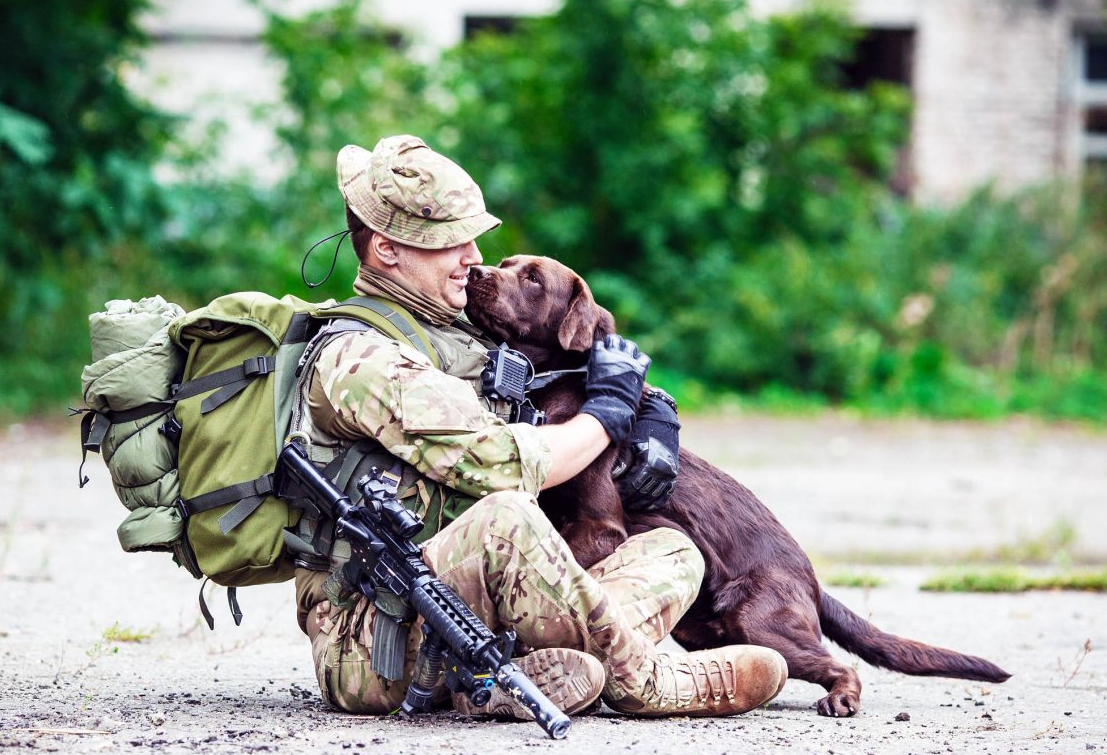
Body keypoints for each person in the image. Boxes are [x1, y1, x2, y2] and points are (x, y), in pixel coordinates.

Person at [289, 134, 786, 720]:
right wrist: (605, 417)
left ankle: (519, 675)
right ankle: (647, 681)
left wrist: (651, 409)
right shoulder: (363, 359)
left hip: (478, 605)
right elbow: (501, 465)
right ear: (387, 249)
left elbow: (561, 373)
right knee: (508, 515)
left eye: (472, 237)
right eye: (450, 240)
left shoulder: (453, 335)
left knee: (671, 549)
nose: (473, 255)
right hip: (377, 637)